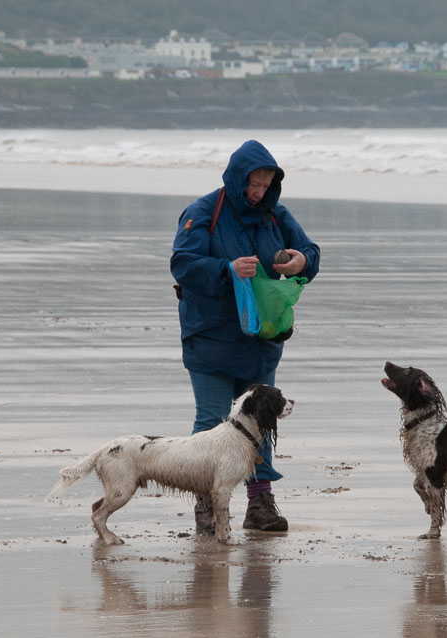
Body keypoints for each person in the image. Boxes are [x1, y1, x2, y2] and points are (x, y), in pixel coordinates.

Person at [170, 140, 320, 534]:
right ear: (237, 179)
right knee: (211, 421)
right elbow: (182, 264)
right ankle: (206, 505)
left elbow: (309, 251)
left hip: (261, 337)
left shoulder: (276, 215)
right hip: (211, 335)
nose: (258, 192)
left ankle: (260, 504)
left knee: (260, 420)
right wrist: (227, 268)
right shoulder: (203, 212)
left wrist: (304, 260)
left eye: (266, 185)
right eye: (253, 184)